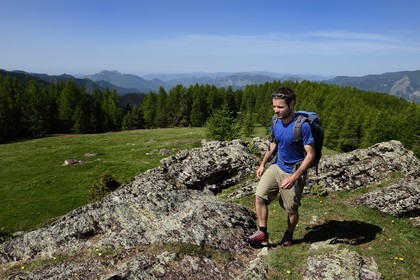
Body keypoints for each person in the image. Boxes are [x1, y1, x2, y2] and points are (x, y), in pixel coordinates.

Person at [247, 87, 315, 247]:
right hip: (277, 166)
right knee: (259, 196)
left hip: (293, 171)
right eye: (274, 106)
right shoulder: (275, 121)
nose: (276, 110)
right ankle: (262, 232)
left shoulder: (303, 126)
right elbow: (273, 143)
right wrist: (263, 164)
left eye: (280, 107)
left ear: (292, 104)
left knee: (291, 209)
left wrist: (295, 177)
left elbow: (310, 155)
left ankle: (289, 233)